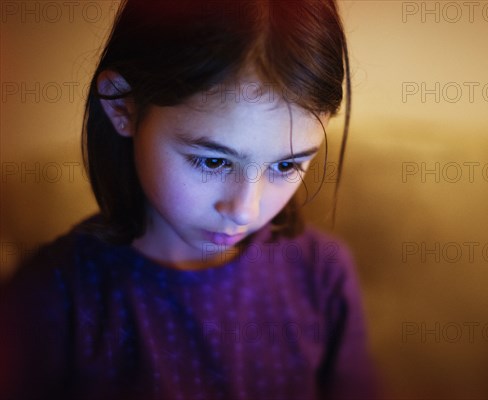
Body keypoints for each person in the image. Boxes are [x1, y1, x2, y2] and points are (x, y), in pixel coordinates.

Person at [0, 1, 378, 399]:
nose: (245, 210)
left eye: (285, 166)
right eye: (213, 161)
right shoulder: (53, 294)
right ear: (121, 106)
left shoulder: (323, 274)